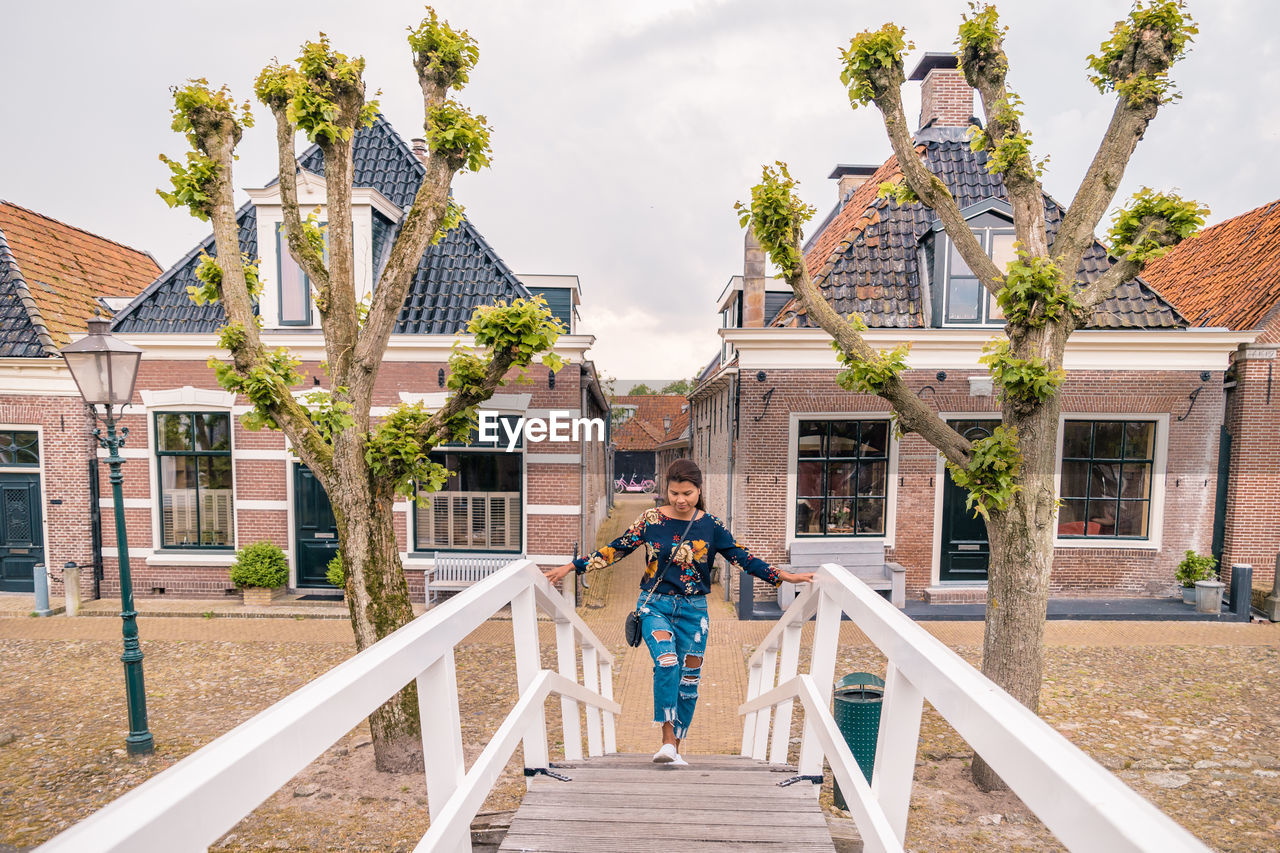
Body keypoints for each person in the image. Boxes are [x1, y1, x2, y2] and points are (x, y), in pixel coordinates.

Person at [543, 459, 814, 766]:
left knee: (690, 680)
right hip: (654, 605)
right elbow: (616, 548)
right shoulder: (650, 520)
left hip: (694, 611)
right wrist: (572, 566)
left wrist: (786, 577)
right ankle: (667, 740)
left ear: (699, 490)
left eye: (687, 493)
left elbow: (743, 558)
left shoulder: (711, 526)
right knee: (667, 661)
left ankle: (675, 749)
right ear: (666, 490)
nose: (680, 500)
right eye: (674, 493)